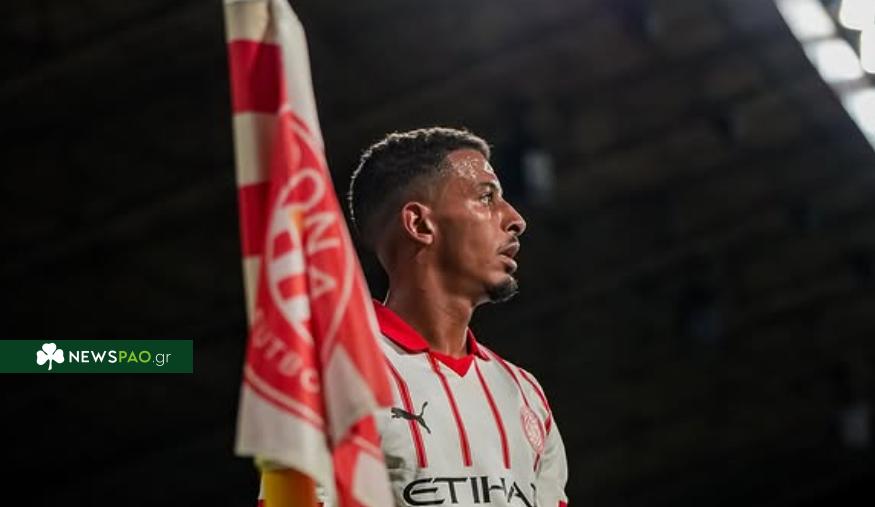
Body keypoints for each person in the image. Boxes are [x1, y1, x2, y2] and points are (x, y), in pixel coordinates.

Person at [347, 127, 569, 507]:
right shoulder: (341, 374)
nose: (515, 219)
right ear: (420, 224)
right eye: (486, 197)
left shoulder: (526, 395)